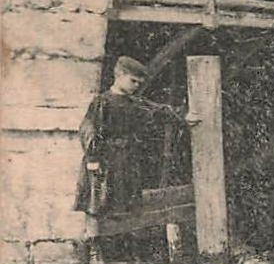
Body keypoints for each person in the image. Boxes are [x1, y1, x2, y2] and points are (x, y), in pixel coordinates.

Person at [74, 56, 196, 217]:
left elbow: (160, 111)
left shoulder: (135, 102)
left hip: (128, 160)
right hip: (107, 162)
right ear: (120, 75)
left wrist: (184, 117)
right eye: (133, 81)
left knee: (127, 206)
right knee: (103, 204)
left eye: (139, 83)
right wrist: (93, 160)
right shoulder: (102, 102)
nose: (136, 86)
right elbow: (89, 131)